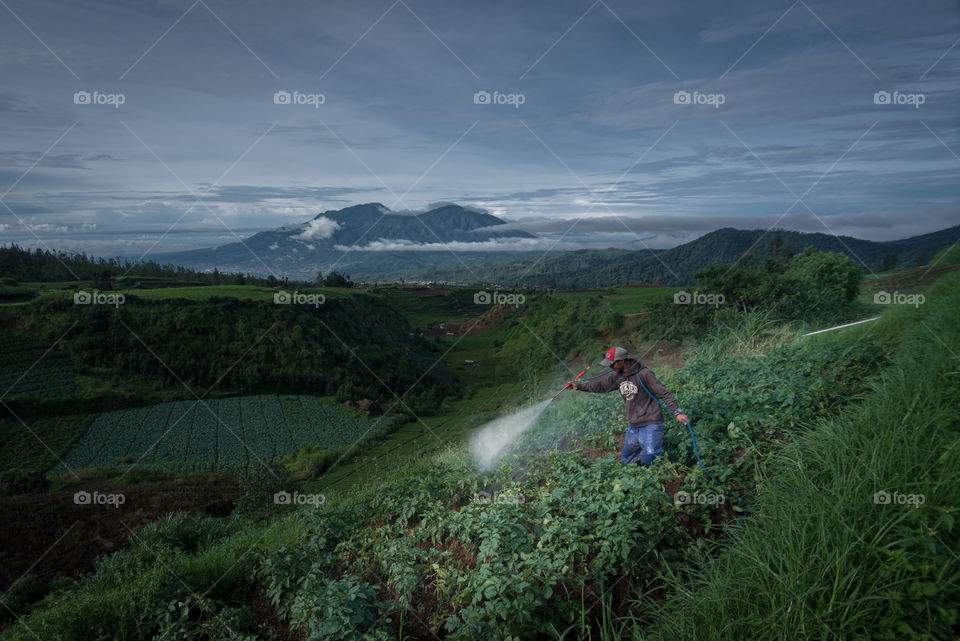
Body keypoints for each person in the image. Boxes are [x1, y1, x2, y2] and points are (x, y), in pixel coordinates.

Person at [568, 346, 689, 466]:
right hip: (634, 426)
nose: (610, 367)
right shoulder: (617, 377)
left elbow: (663, 392)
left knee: (650, 455)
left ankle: (661, 474)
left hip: (651, 422)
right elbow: (601, 386)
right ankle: (640, 476)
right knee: (627, 459)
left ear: (621, 361)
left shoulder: (644, 374)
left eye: (612, 364)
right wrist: (578, 386)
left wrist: (677, 412)